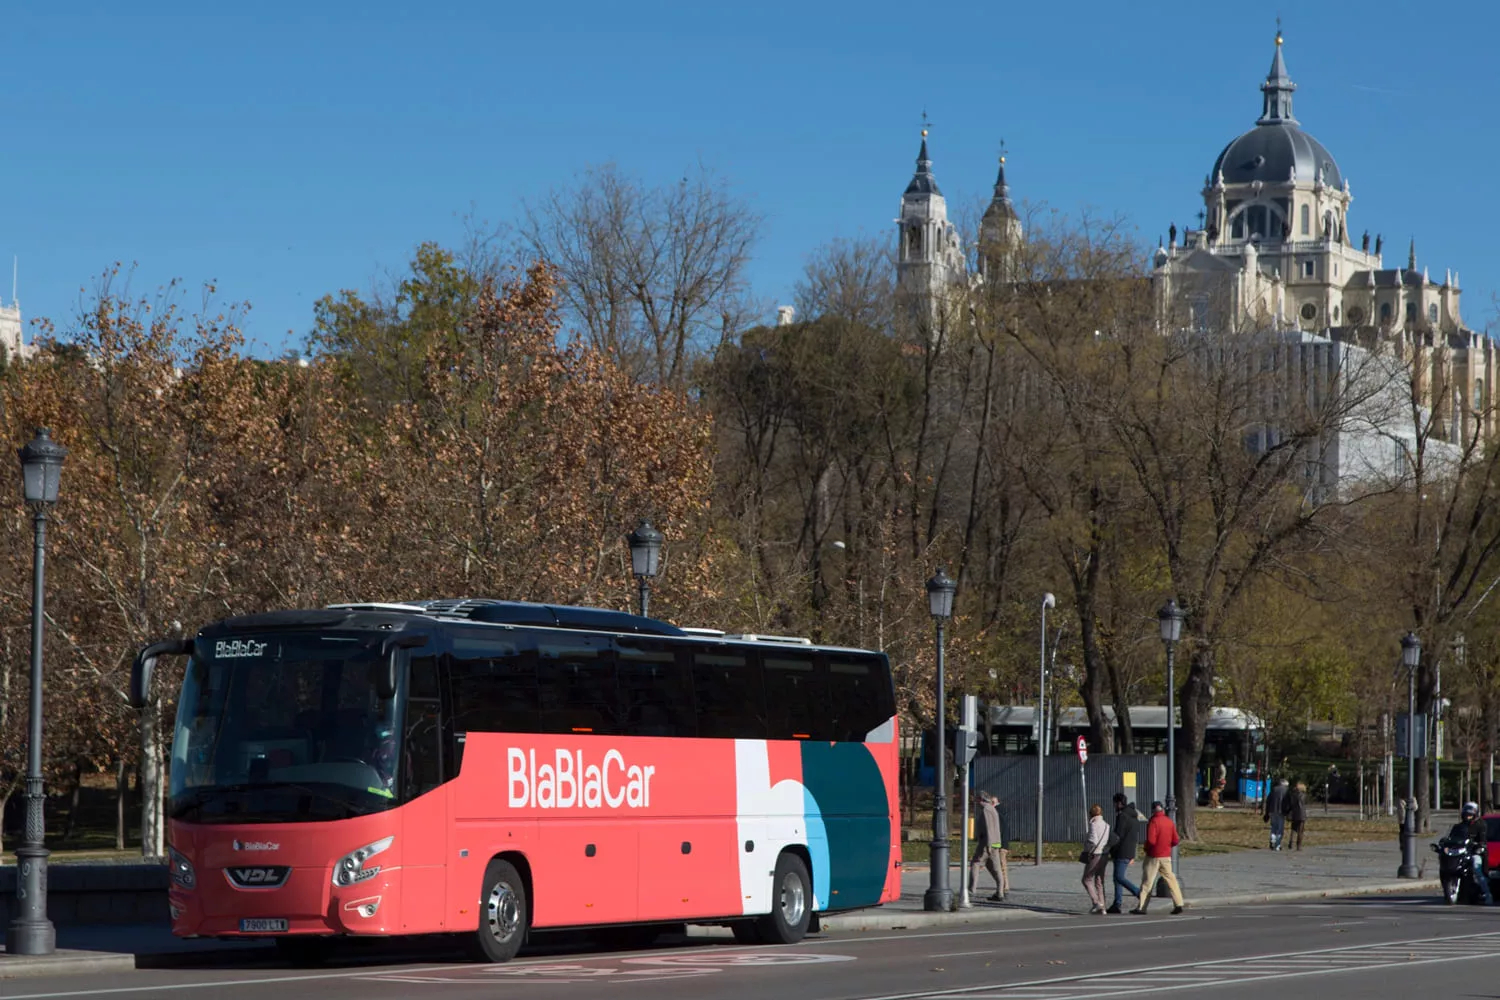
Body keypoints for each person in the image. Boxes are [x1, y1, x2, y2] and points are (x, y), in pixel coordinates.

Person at [1133, 801, 1186, 914]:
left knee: (1147, 881)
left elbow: (1151, 840)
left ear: (1153, 810)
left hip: (1153, 855)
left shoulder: (1153, 821)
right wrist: (1167, 846)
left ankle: (1142, 907)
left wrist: (1146, 848)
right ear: (1162, 809)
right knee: (1171, 880)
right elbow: (1175, 840)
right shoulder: (1169, 822)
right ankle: (1179, 903)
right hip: (1166, 855)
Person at [1445, 801, 1494, 906]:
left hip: (1474, 852)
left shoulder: (1481, 825)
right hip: (1460, 852)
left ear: (1475, 814)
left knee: (1477, 868)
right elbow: (1451, 838)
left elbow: (1483, 839)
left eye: (1470, 815)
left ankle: (1487, 894)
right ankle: (1452, 891)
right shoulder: (1458, 826)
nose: (1468, 817)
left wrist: (1479, 845)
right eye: (1466, 814)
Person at [1106, 792, 1141, 914]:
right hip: (1129, 850)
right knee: (1117, 879)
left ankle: (1138, 893)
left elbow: (1118, 835)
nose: (1114, 806)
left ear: (1119, 803)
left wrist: (1109, 847)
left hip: (1121, 851)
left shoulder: (1122, 816)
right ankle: (1117, 903)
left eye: (1115, 803)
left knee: (1119, 877)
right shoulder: (1133, 816)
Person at [969, 790, 1006, 901]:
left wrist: (988, 844)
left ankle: (971, 890)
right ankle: (1000, 892)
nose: (975, 801)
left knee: (975, 863)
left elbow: (989, 828)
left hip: (987, 843)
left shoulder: (986, 809)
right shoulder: (992, 809)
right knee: (994, 868)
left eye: (977, 799)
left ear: (981, 799)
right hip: (995, 843)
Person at [1082, 803, 1111, 914]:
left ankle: (1096, 902)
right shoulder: (1106, 825)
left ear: (1091, 814)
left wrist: (1087, 847)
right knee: (1099, 880)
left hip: (1095, 853)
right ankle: (1103, 906)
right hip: (1104, 854)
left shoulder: (1093, 824)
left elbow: (1093, 840)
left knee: (1086, 879)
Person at [1264, 778, 1289, 850]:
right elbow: (1287, 802)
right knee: (1280, 829)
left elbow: (1268, 801)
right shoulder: (1286, 791)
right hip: (1281, 811)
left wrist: (1267, 812)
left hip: (1272, 810)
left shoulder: (1274, 789)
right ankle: (1277, 845)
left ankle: (1272, 840)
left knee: (1273, 827)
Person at [1285, 781, 1308, 851]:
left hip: (1294, 813)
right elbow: (1305, 803)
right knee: (1300, 831)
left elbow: (1290, 804)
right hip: (1301, 814)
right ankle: (1298, 845)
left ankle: (1291, 842)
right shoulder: (1304, 795)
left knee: (1293, 829)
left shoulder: (1292, 795)